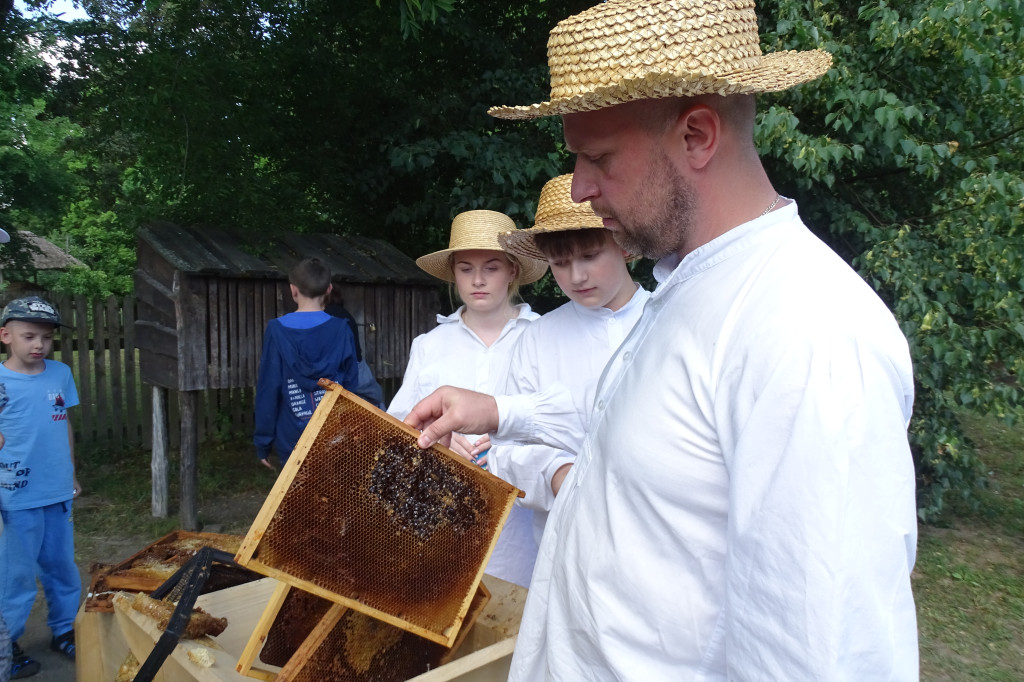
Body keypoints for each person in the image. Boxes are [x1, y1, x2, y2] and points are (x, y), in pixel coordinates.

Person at [404, 0, 919, 679]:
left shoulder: (806, 331)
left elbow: (825, 651)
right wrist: (500, 412)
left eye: (599, 158)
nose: (581, 189)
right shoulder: (690, 286)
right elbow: (635, 436)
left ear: (698, 136)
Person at [484, 173, 649, 546]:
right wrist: (557, 473)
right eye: (560, 263)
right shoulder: (538, 339)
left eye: (590, 256)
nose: (576, 275)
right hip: (567, 540)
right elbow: (506, 451)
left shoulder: (667, 319)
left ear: (623, 243)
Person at [387, 209, 548, 588]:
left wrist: (510, 428)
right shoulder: (429, 345)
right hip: (441, 522)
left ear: (512, 271)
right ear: (453, 274)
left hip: (521, 526)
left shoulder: (545, 336)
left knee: (516, 623)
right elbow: (397, 426)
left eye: (491, 268)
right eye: (465, 269)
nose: (477, 280)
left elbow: (564, 421)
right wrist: (435, 434)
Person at [0, 296, 81, 679]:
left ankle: (64, 630)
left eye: (46, 338)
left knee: (62, 566)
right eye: (29, 336)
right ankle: (8, 644)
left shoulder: (60, 374)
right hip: (15, 496)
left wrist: (71, 473)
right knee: (16, 575)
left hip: (57, 491)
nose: (38, 345)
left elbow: (63, 422)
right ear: (5, 336)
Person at [253, 257, 360, 469]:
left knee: (296, 499)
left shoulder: (277, 330)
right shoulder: (342, 328)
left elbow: (269, 387)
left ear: (293, 290)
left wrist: (263, 442)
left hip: (291, 440)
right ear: (329, 289)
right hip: (332, 435)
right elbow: (351, 387)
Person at [323, 289, 385, 409]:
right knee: (373, 399)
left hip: (342, 368)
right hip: (357, 364)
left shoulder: (327, 315)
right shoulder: (345, 314)